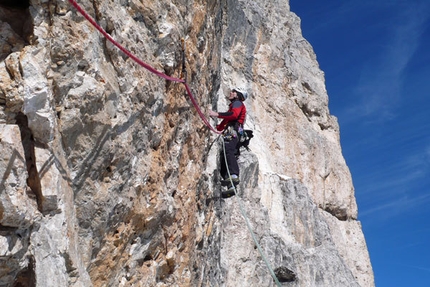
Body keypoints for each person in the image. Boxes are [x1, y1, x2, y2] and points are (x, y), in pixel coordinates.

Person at [209, 88, 248, 197]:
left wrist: (216, 114)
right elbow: (227, 120)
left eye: (233, 92)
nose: (230, 93)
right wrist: (218, 127)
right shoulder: (234, 104)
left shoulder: (237, 103)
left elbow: (233, 115)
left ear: (238, 95)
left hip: (234, 132)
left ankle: (234, 176)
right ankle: (231, 185)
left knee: (228, 151)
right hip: (235, 132)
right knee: (225, 155)